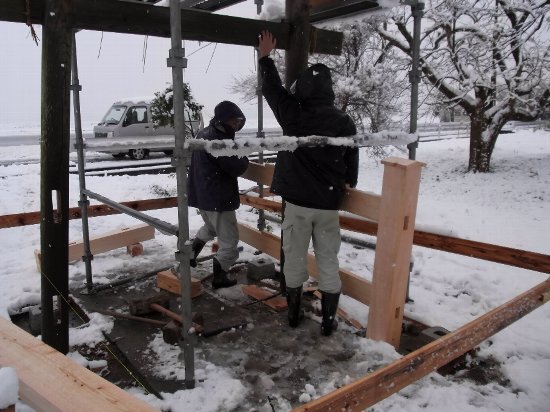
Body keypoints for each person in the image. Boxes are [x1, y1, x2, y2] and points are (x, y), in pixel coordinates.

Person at [258, 30, 359, 336]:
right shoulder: (343, 121)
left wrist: (265, 58)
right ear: (328, 90)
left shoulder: (294, 114)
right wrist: (349, 181)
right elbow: (352, 156)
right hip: (328, 204)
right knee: (328, 258)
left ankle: (292, 314)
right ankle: (328, 320)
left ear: (303, 89)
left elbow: (273, 90)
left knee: (295, 256)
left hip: (298, 204)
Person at [187, 100, 248, 289]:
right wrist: (243, 154)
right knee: (229, 242)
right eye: (233, 122)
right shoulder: (220, 141)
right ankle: (220, 276)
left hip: (204, 194)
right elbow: (237, 166)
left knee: (210, 228)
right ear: (222, 120)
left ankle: (189, 255)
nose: (236, 125)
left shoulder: (205, 133)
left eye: (238, 122)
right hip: (218, 198)